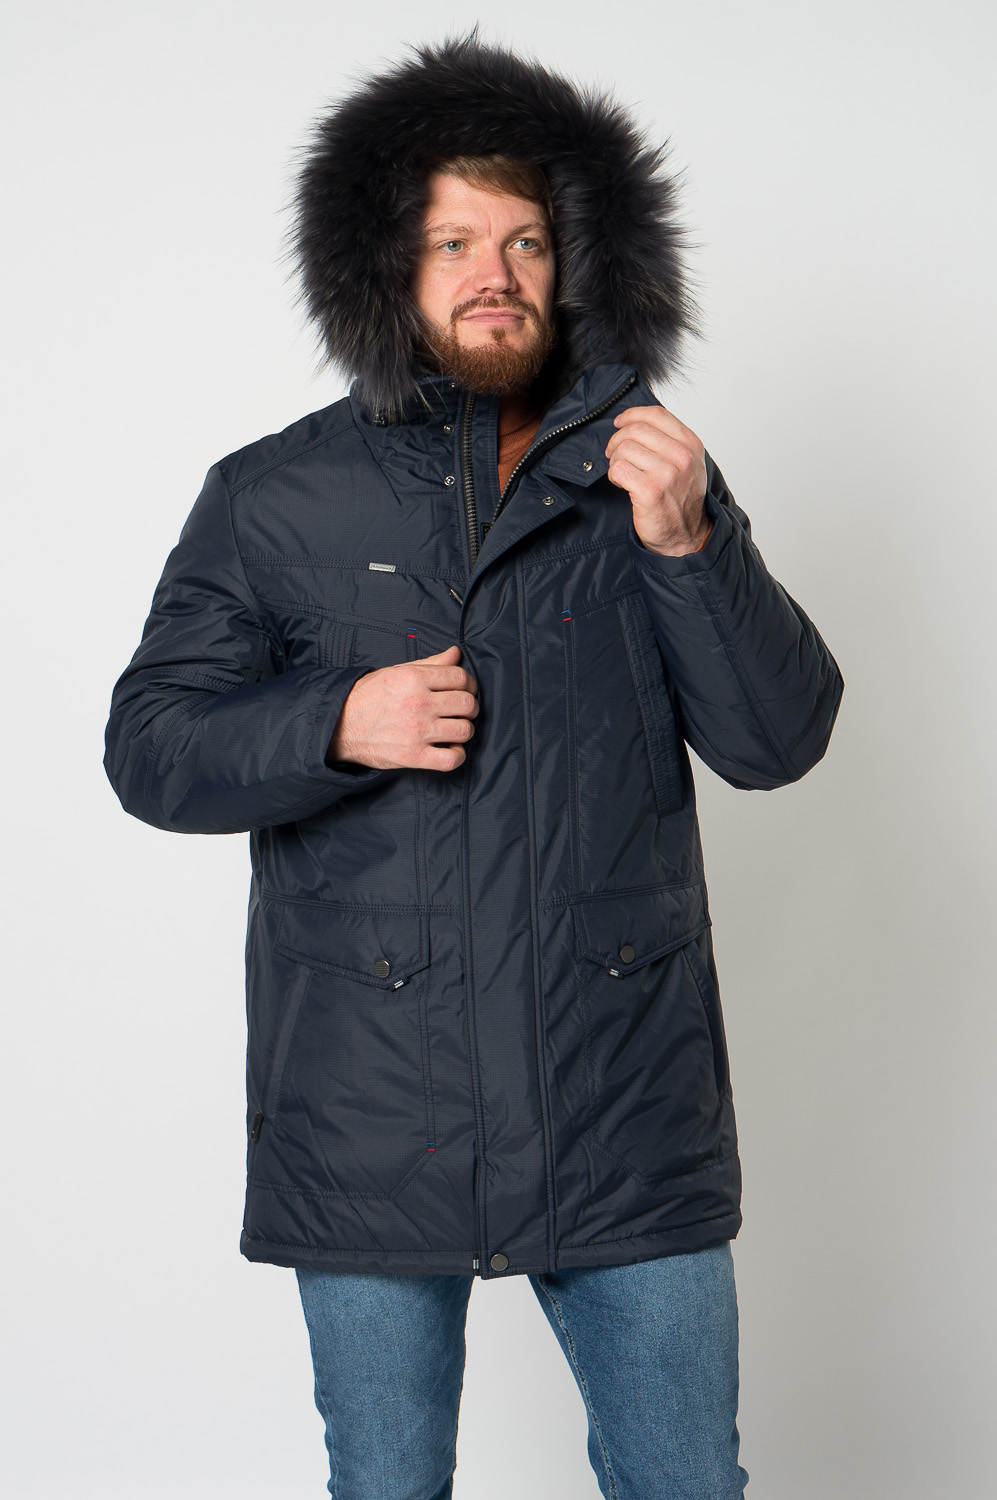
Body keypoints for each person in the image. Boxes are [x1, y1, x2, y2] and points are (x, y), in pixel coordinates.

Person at [104, 32, 842, 1500]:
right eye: (453, 242)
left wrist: (691, 544)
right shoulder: (273, 494)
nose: (492, 273)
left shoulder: (651, 476)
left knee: (687, 1484)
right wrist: (334, 720)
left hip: (624, 1110)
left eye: (524, 242)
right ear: (389, 266)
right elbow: (151, 749)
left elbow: (777, 741)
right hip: (370, 1115)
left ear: (579, 265)